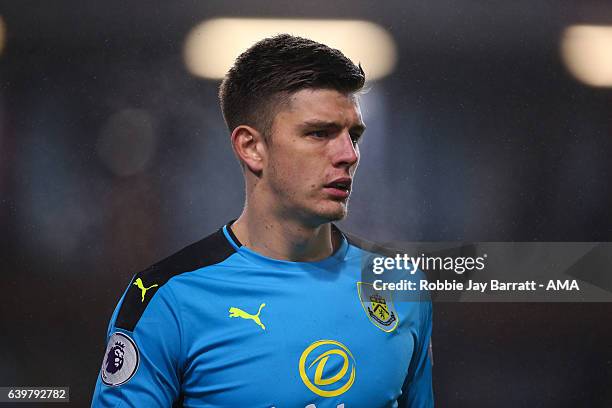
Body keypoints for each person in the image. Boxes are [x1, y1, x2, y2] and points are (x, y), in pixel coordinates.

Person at [91, 34, 433, 408]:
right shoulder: (167, 299)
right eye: (319, 133)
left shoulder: (399, 286)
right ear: (252, 148)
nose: (348, 154)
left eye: (354, 135)